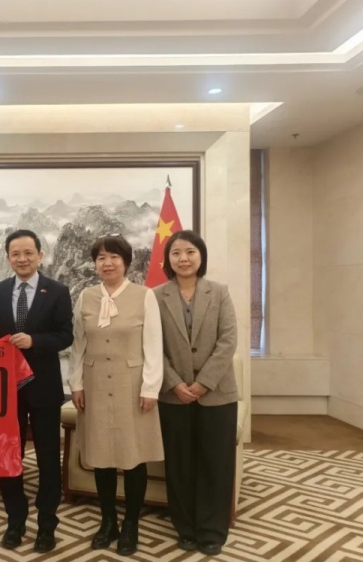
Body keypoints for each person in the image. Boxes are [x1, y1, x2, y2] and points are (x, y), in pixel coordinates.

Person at [0, 229, 73, 553]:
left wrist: (35, 341)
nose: (22, 259)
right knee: (9, 457)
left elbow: (65, 335)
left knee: (48, 458)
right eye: (15, 254)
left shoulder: (57, 291)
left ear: (40, 255)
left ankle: (47, 524)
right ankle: (15, 522)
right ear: (8, 258)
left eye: (28, 253)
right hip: (7, 389)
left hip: (44, 387)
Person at [69, 234, 163, 557]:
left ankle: (131, 524)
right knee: (101, 456)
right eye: (101, 258)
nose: (107, 263)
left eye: (114, 257)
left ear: (126, 262)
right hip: (94, 385)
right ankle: (107, 521)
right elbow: (78, 345)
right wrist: (76, 383)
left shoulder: (144, 296)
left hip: (131, 386)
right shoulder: (86, 297)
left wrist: (150, 387)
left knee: (133, 456)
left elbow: (154, 345)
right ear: (95, 264)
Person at [154, 230, 238, 557]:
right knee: (180, 464)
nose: (183, 259)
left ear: (201, 256)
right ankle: (186, 528)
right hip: (173, 394)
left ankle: (212, 530)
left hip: (216, 394)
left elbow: (228, 341)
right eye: (176, 253)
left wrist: (203, 383)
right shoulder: (156, 296)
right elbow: (152, 347)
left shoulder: (219, 292)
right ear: (168, 259)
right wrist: (175, 382)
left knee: (215, 462)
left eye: (190, 251)